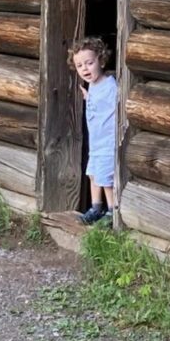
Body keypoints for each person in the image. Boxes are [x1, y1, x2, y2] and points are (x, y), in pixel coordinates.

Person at [70, 35, 117, 226]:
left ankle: (113, 211)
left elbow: (116, 107)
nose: (85, 69)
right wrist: (89, 97)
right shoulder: (93, 85)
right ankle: (96, 207)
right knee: (93, 174)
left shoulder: (110, 85)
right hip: (96, 142)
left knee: (106, 178)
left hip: (108, 141)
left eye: (89, 63)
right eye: (80, 66)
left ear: (101, 60)